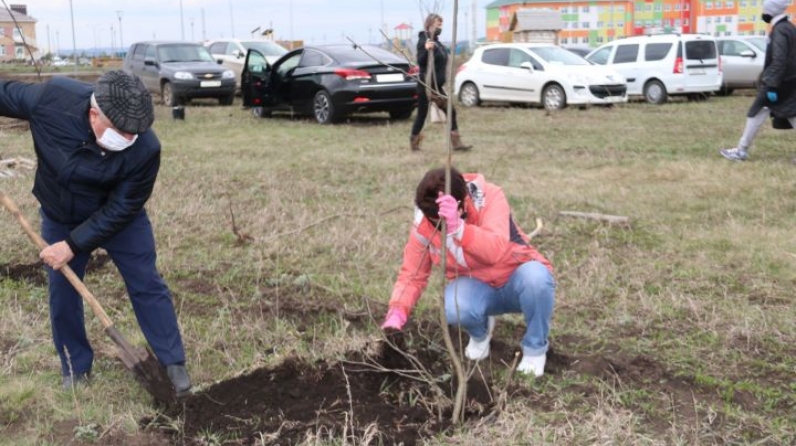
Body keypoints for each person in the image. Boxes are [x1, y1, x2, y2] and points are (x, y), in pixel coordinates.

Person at [0, 70, 192, 396]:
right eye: (122, 132)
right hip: (61, 215)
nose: (130, 137)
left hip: (119, 220)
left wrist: (72, 246)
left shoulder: (146, 148)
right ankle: (75, 366)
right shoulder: (53, 101)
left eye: (135, 132)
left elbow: (122, 209)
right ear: (94, 114)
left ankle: (172, 362)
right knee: (63, 291)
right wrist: (67, 241)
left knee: (146, 281)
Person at [381, 167, 555, 377]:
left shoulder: (489, 197)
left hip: (515, 279)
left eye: (442, 224)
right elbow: (412, 275)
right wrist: (397, 312)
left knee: (537, 280)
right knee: (453, 306)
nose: (438, 229)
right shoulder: (424, 224)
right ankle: (480, 333)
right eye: (434, 224)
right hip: (476, 287)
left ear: (461, 204)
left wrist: (460, 229)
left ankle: (535, 349)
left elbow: (495, 251)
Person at [720, 0, 796, 161]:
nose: (763, 12)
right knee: (790, 114)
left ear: (772, 11)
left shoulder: (780, 30)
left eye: (765, 9)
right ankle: (741, 149)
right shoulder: (789, 27)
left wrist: (772, 85)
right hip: (789, 81)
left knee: (756, 111)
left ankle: (741, 151)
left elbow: (779, 60)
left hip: (778, 83)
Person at [410, 13, 471, 152]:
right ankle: (414, 144)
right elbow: (420, 61)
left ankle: (456, 143)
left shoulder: (438, 43)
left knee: (451, 111)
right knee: (422, 115)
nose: (440, 27)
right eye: (438, 24)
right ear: (430, 24)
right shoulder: (423, 39)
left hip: (437, 87)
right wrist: (426, 50)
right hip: (426, 85)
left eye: (441, 25)